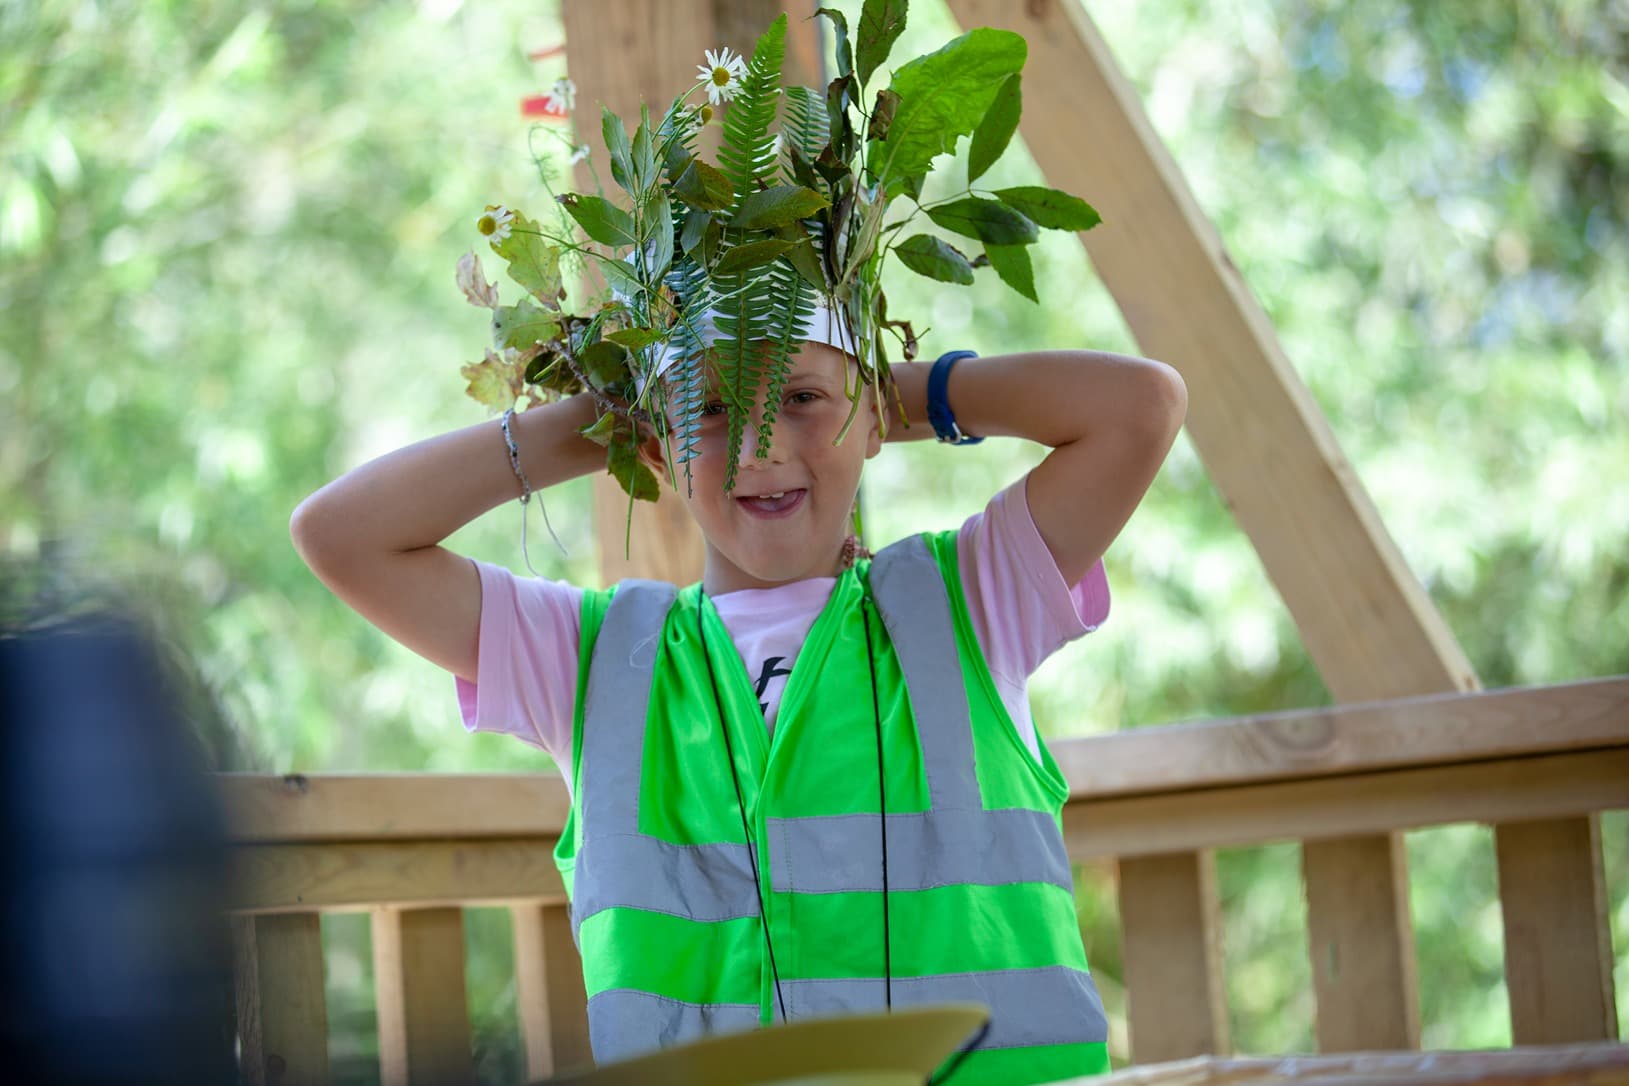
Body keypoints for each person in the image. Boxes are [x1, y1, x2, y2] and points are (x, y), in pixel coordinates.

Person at [292, 12, 1186, 1083]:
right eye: (713, 412)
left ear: (866, 417)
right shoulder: (592, 663)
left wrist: (901, 395)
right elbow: (341, 535)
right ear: (659, 446)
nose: (762, 443)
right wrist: (606, 417)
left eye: (801, 398)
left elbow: (1140, 408)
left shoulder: (968, 601)